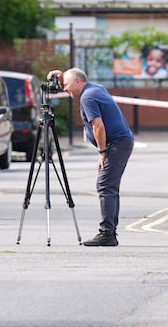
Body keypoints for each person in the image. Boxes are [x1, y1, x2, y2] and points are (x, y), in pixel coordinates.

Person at [47, 67, 135, 247]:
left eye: (66, 85)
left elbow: (98, 127)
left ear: (77, 82)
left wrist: (102, 153)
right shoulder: (95, 88)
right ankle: (109, 232)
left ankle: (107, 233)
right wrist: (63, 76)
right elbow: (75, 77)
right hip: (121, 142)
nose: (64, 89)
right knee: (110, 187)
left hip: (116, 144)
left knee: (105, 186)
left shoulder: (88, 97)